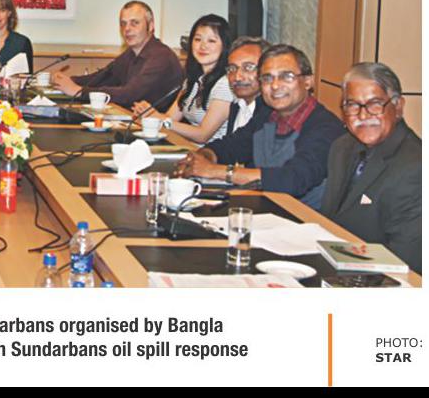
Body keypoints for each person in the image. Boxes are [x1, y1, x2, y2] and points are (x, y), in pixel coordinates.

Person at [175, 44, 344, 210]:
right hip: (260, 208)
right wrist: (202, 158)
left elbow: (293, 179)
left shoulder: (325, 127)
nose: (275, 85)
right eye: (267, 78)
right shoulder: (267, 114)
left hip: (302, 218)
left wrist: (216, 171)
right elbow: (231, 146)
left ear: (308, 82)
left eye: (286, 76)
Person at [320, 63, 421, 273]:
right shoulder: (341, 147)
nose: (363, 115)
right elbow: (330, 220)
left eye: (375, 104)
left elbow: (406, 262)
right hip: (332, 262)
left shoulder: (416, 167)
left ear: (398, 107)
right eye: (352, 105)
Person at [52, 0, 183, 111]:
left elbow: (130, 94)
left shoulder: (161, 57)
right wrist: (68, 81)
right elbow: (103, 77)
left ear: (151, 26)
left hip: (159, 129)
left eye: (134, 23)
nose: (127, 29)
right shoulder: (132, 53)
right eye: (123, 24)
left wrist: (79, 91)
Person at [132, 14, 233, 144]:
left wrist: (161, 119)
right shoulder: (194, 80)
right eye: (198, 39)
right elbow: (170, 118)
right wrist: (150, 114)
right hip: (186, 147)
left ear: (225, 46)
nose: (203, 46)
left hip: (209, 153)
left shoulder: (225, 84)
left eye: (211, 41)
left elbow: (202, 135)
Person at [223, 35, 269, 135]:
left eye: (248, 67)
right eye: (232, 68)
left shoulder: (270, 113)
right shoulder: (236, 105)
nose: (237, 77)